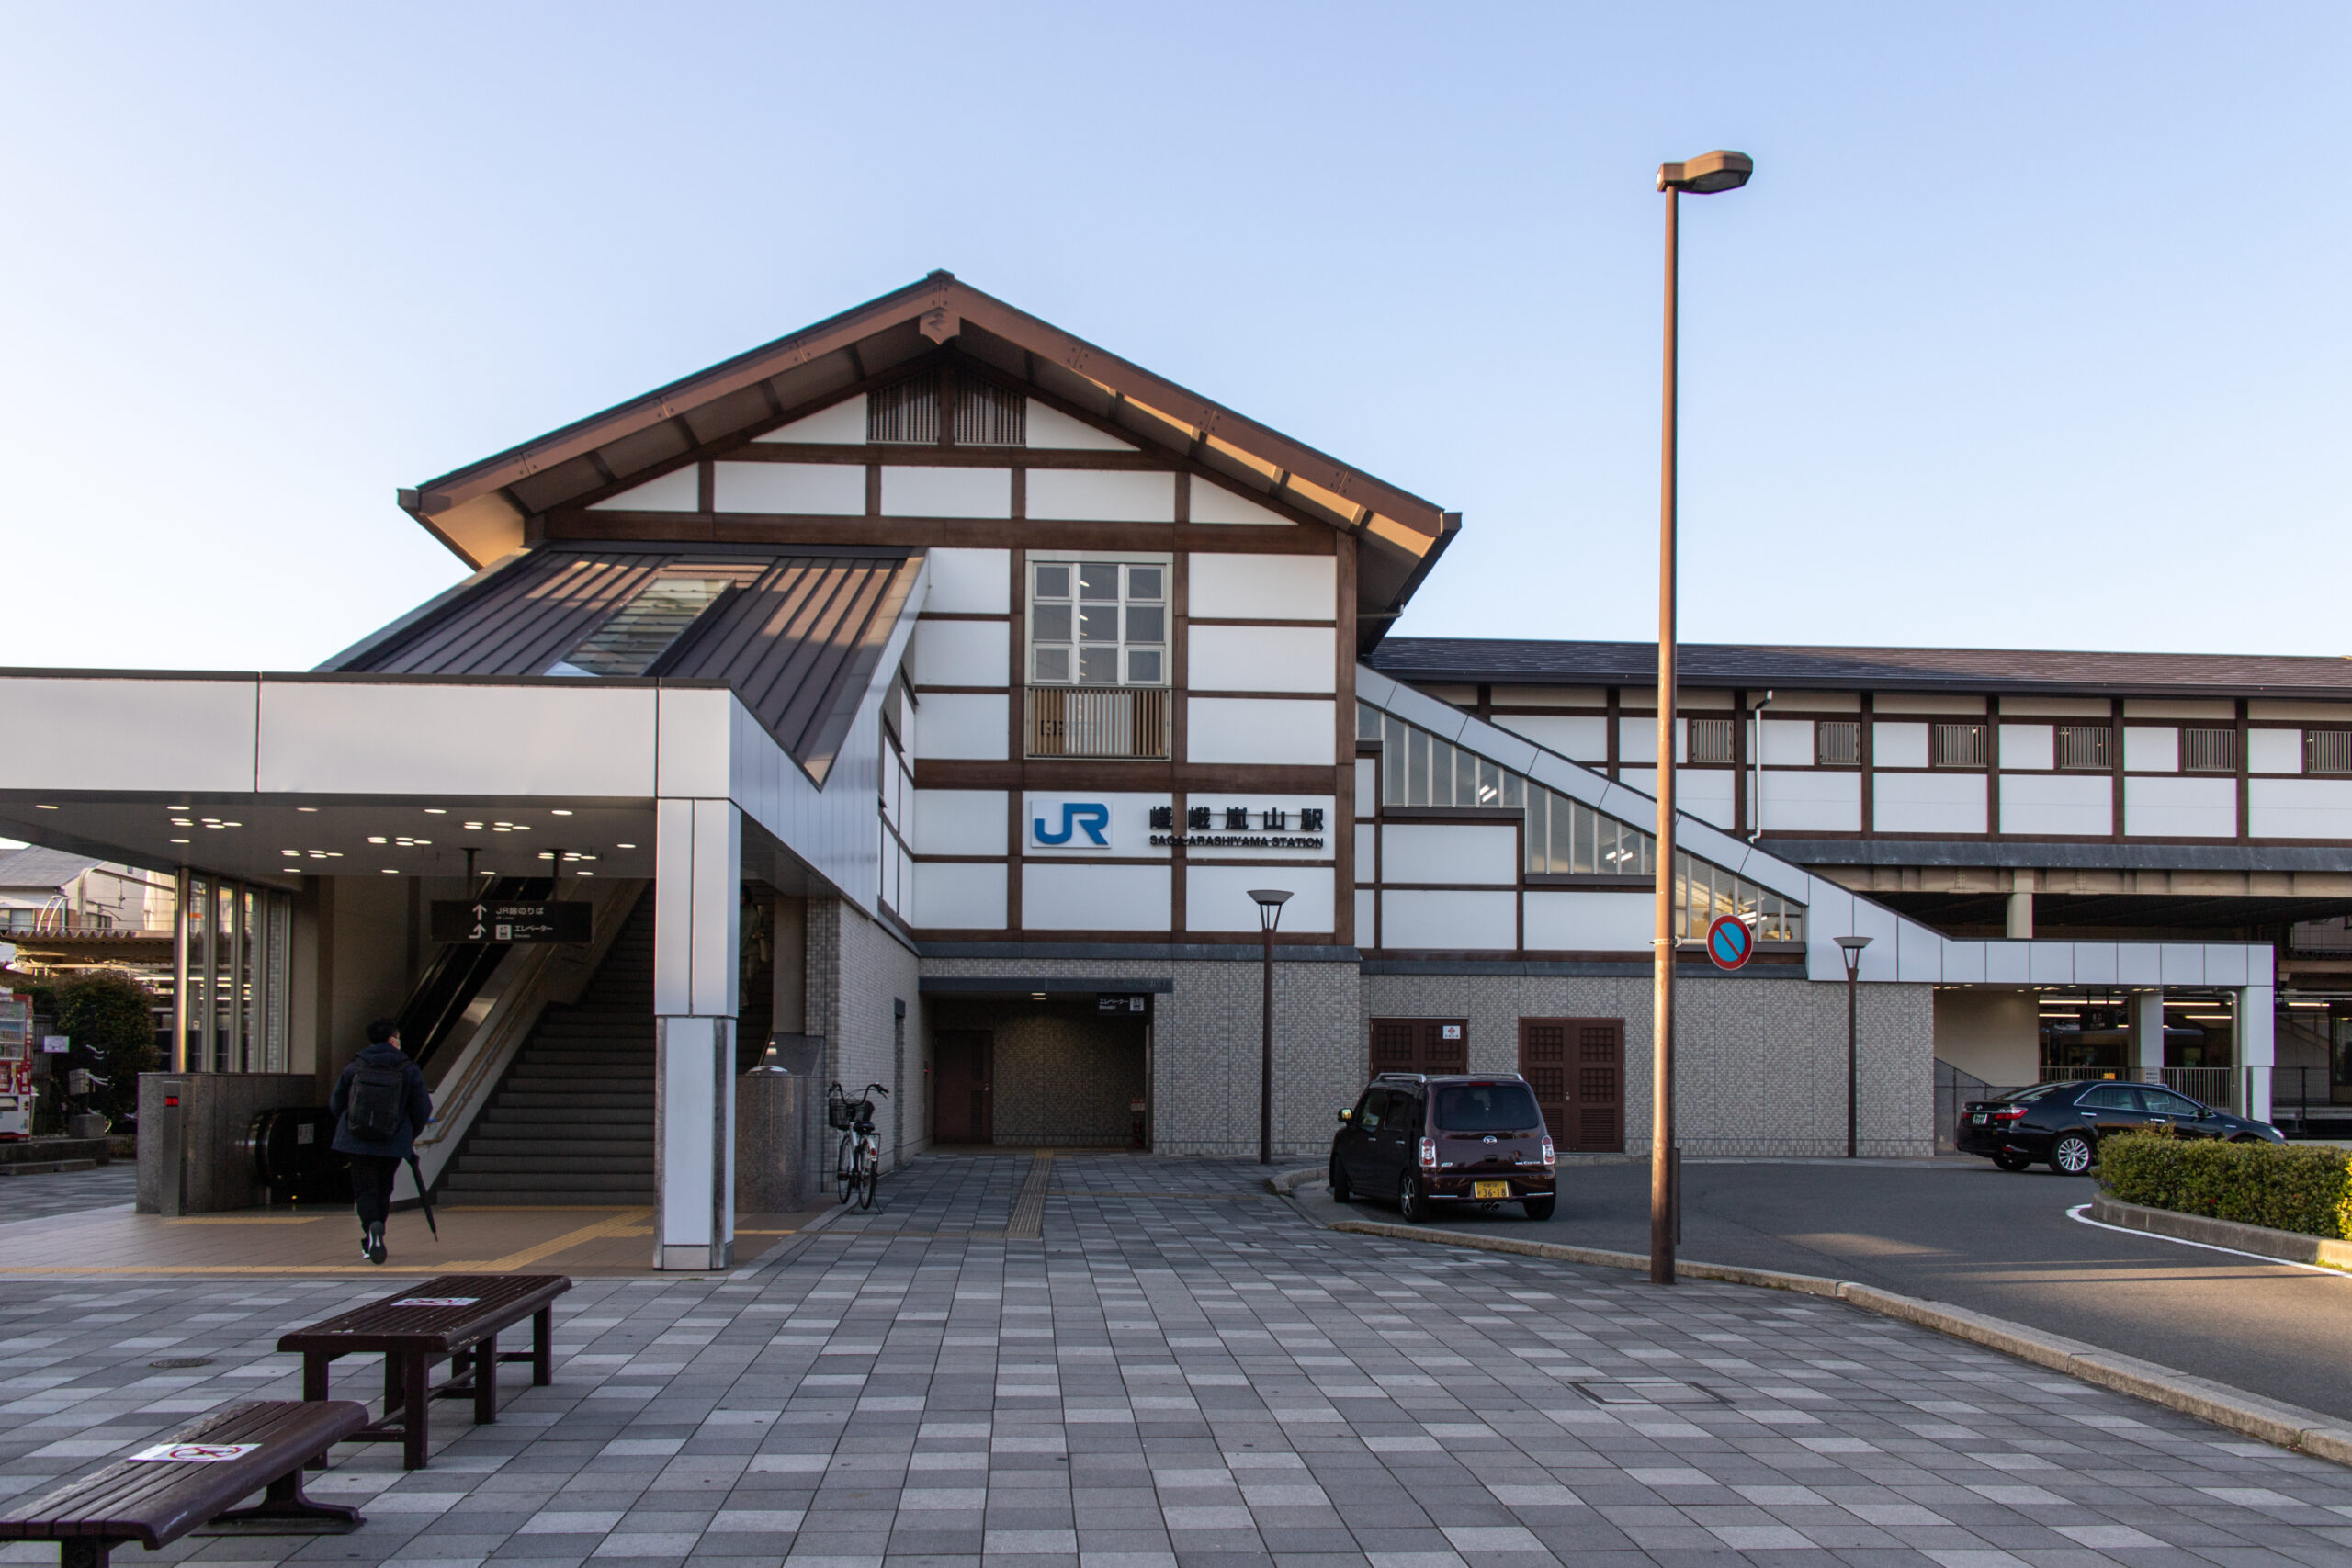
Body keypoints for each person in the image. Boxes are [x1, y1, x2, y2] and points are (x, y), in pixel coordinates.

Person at [330, 1019, 430, 1265]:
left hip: (357, 1139)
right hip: (392, 1140)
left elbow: (336, 1103)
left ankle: (370, 1229)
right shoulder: (408, 1068)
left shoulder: (355, 1065)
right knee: (384, 1188)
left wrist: (350, 1125)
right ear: (392, 1040)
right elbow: (423, 1107)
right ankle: (378, 1227)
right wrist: (408, 1133)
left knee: (364, 1188)